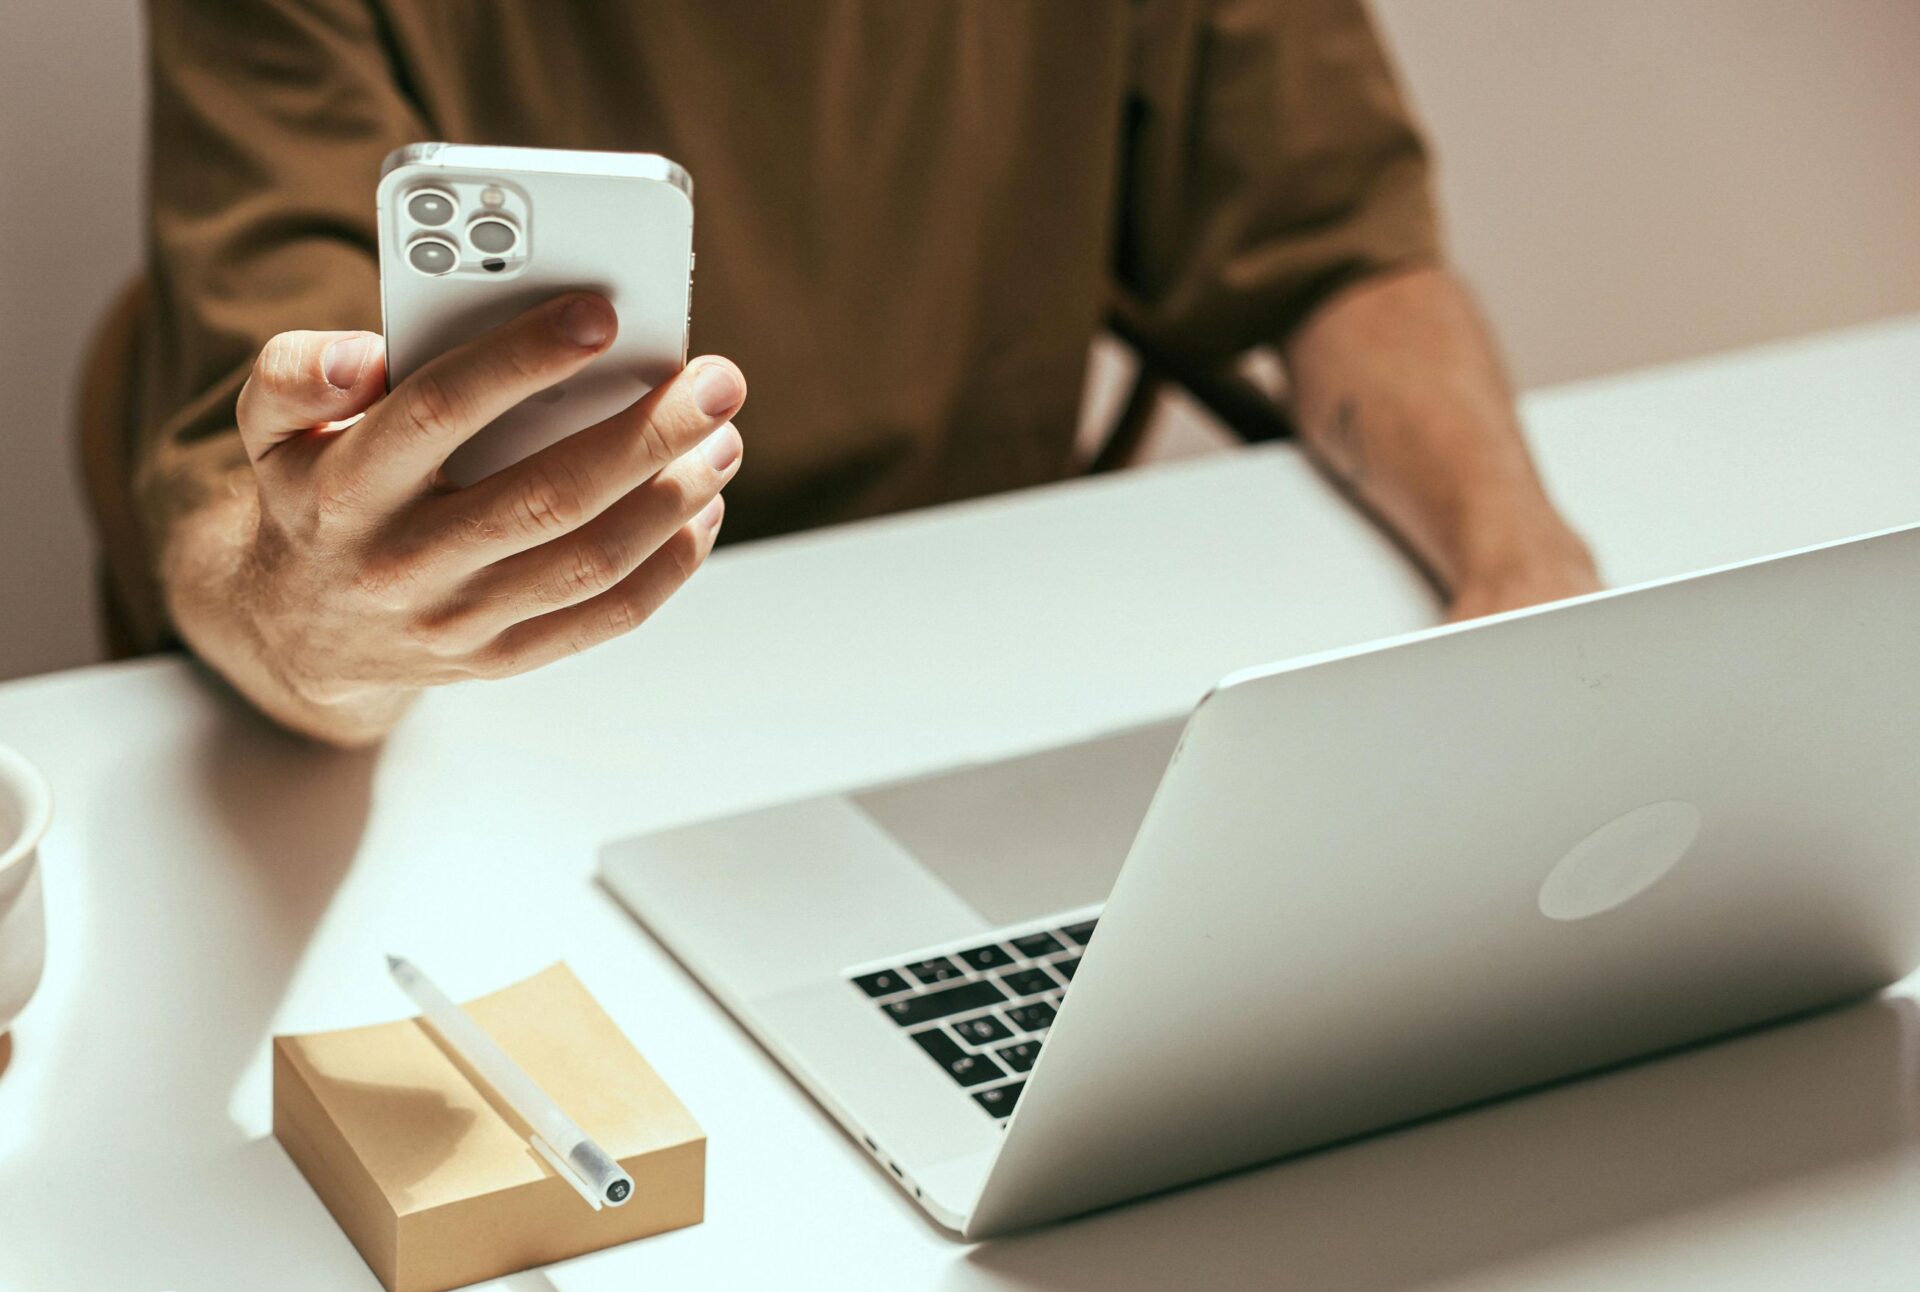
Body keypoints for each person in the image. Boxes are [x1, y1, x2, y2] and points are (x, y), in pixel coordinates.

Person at [111, 0, 1600, 747]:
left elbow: (1338, 241)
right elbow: (248, 497)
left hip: (974, 667)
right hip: (511, 710)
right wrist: (323, 629)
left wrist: (1520, 568)